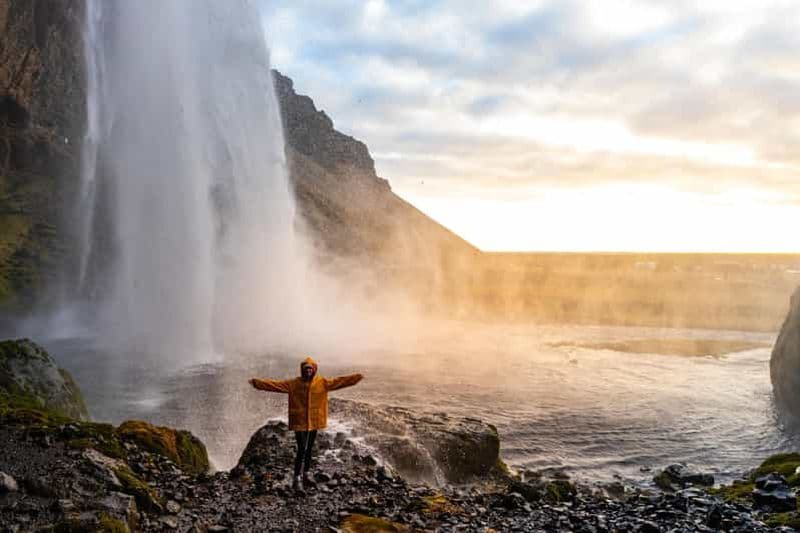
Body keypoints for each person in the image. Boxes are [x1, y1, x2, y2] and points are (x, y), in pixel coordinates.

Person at [248, 356, 363, 491]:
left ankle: (306, 474)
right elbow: (275, 385)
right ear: (302, 370)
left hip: (314, 421)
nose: (308, 371)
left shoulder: (322, 382)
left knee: (309, 449)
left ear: (314, 370)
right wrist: (256, 383)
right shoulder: (294, 384)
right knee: (302, 448)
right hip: (300, 421)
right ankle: (297, 478)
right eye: (305, 369)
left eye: (310, 369)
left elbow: (340, 382)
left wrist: (356, 378)